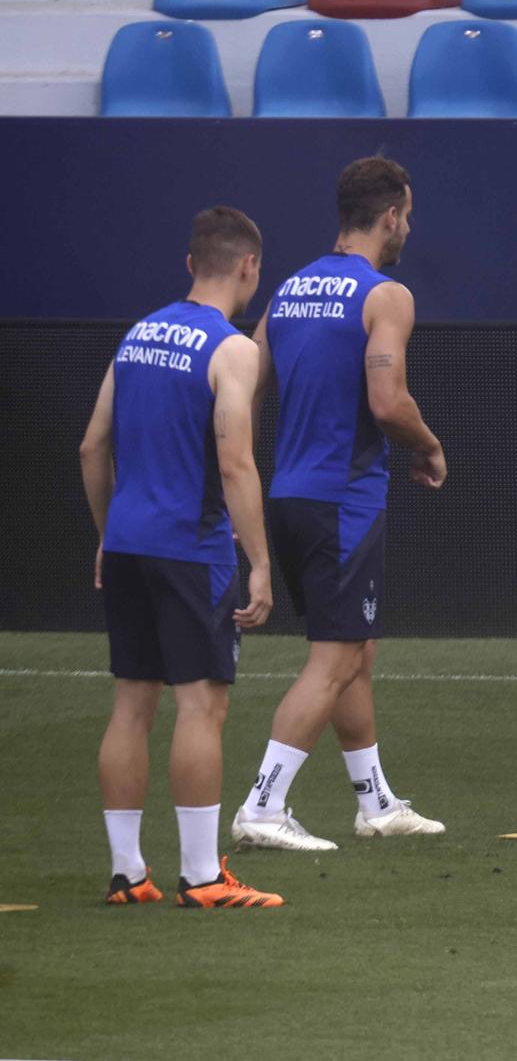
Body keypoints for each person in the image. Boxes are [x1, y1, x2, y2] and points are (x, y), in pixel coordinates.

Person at [231, 157, 448, 852]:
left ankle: (375, 801)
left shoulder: (288, 293)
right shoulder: (386, 295)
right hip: (343, 503)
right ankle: (263, 804)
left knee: (357, 649)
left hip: (290, 495)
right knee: (334, 658)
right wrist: (428, 441)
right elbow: (387, 402)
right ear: (389, 217)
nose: (408, 226)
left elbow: (247, 391)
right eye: (407, 215)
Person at [80, 206, 283, 908]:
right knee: (201, 704)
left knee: (131, 704)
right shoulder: (233, 349)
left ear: (190, 262)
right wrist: (259, 559)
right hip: (191, 550)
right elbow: (236, 463)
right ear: (249, 267)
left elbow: (91, 445)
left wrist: (109, 532)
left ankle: (127, 873)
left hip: (131, 542)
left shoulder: (136, 336)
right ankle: (202, 876)